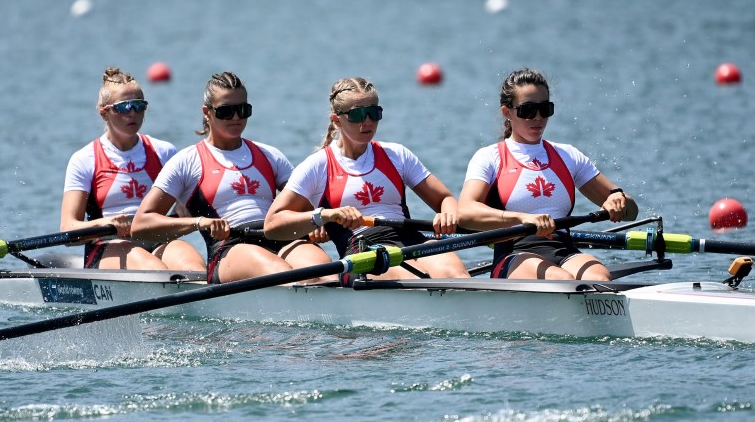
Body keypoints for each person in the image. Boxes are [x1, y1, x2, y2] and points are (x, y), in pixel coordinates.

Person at [131, 72, 334, 284]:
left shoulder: (270, 155)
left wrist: (316, 222)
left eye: (243, 110)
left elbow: (306, 206)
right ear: (207, 112)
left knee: (327, 272)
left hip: (281, 237)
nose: (236, 118)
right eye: (226, 111)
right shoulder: (186, 162)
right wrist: (199, 223)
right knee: (281, 271)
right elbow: (140, 224)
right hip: (230, 249)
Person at [264, 77, 470, 281]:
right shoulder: (318, 165)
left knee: (455, 274)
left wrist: (447, 215)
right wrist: (324, 216)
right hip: (361, 249)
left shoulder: (396, 155)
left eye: (374, 113)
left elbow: (444, 198)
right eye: (358, 115)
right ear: (336, 119)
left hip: (411, 238)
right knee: (414, 279)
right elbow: (272, 225)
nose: (368, 122)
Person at [457, 68, 638, 281]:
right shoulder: (489, 157)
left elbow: (632, 212)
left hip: (564, 250)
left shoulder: (568, 155)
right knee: (563, 280)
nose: (538, 118)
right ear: (507, 113)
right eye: (527, 110)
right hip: (514, 254)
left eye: (545, 109)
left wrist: (618, 200)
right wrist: (522, 218)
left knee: (600, 279)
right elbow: (465, 212)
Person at [61, 67, 205, 272]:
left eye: (139, 105)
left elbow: (187, 208)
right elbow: (68, 228)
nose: (133, 113)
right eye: (124, 107)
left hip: (158, 239)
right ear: (105, 112)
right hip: (109, 244)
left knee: (194, 268)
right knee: (156, 270)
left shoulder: (164, 152)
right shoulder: (84, 160)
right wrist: (109, 221)